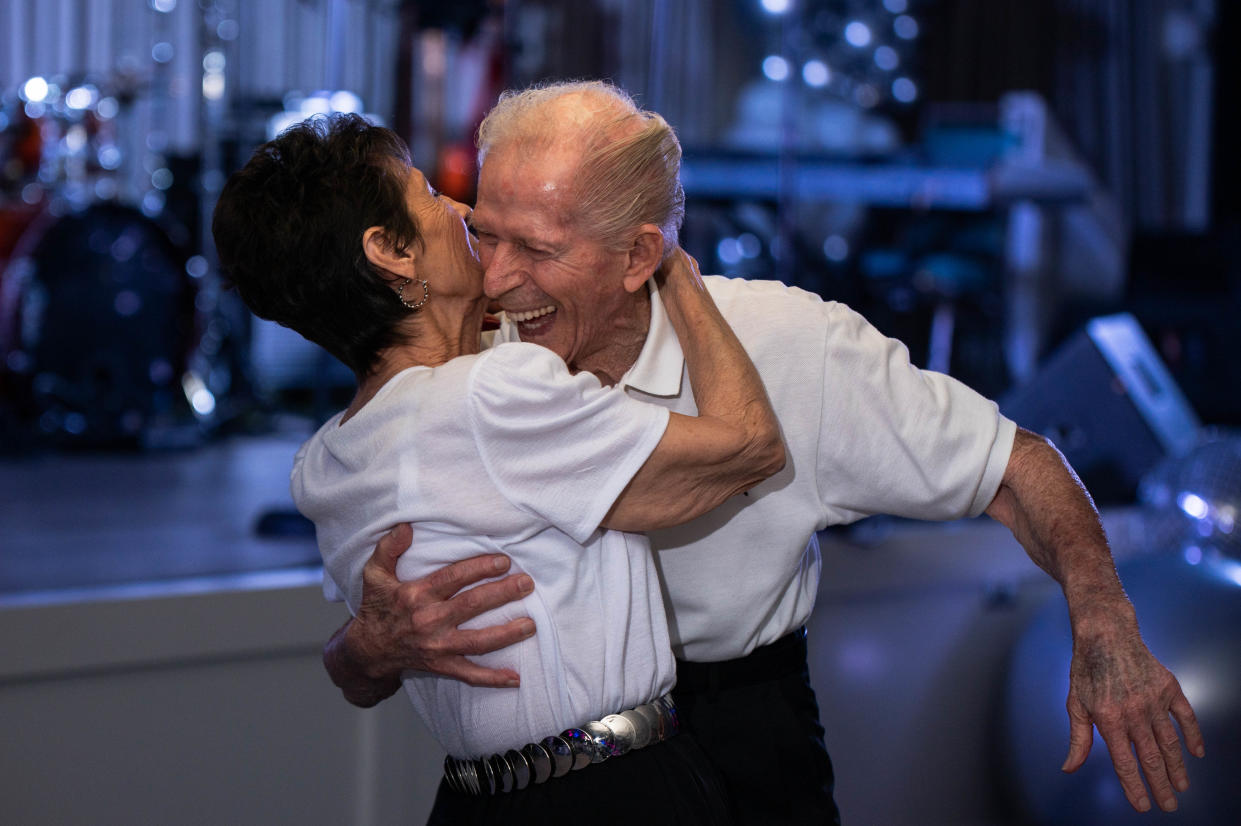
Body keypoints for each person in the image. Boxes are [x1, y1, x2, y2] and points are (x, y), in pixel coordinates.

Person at [324, 82, 1205, 823]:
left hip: (738, 744)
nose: (498, 277)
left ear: (640, 256)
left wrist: (1105, 624)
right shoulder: (451, 358)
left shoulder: (789, 343)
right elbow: (354, 675)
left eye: (538, 249)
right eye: (485, 232)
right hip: (515, 781)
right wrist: (368, 649)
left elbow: (1019, 467)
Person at [211, 111, 790, 824]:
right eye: (428, 195)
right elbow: (748, 447)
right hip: (610, 795)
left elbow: (363, 677)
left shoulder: (328, 460)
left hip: (469, 802)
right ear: (391, 252)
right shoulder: (492, 395)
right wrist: (672, 271)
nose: (461, 210)